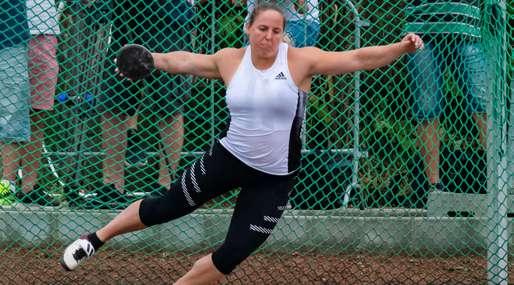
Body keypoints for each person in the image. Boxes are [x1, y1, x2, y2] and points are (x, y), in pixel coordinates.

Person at [61, 3, 423, 283]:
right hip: (228, 158)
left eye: (276, 31)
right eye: (262, 28)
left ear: (283, 35)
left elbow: (358, 58)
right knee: (165, 208)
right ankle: (96, 238)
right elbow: (186, 60)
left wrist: (401, 47)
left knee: (230, 255)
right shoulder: (230, 59)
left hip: (274, 177)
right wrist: (151, 59)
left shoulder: (300, 61)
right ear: (249, 28)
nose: (268, 36)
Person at [92, 0, 195, 209]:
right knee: (113, 101)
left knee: (168, 105)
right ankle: (111, 185)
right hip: (125, 16)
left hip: (168, 20)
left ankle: (166, 186)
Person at [405, 1, 488, 195]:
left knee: (483, 103)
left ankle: (498, 179)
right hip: (422, 28)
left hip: (465, 26)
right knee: (426, 107)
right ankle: (434, 186)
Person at [0, 0, 60, 206]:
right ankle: (7, 185)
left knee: (36, 109)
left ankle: (28, 186)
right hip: (9, 29)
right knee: (9, 108)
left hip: (42, 28)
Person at [237, 0, 320, 48]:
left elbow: (302, 8)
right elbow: (237, 2)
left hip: (299, 22)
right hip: (256, 22)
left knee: (276, 49)